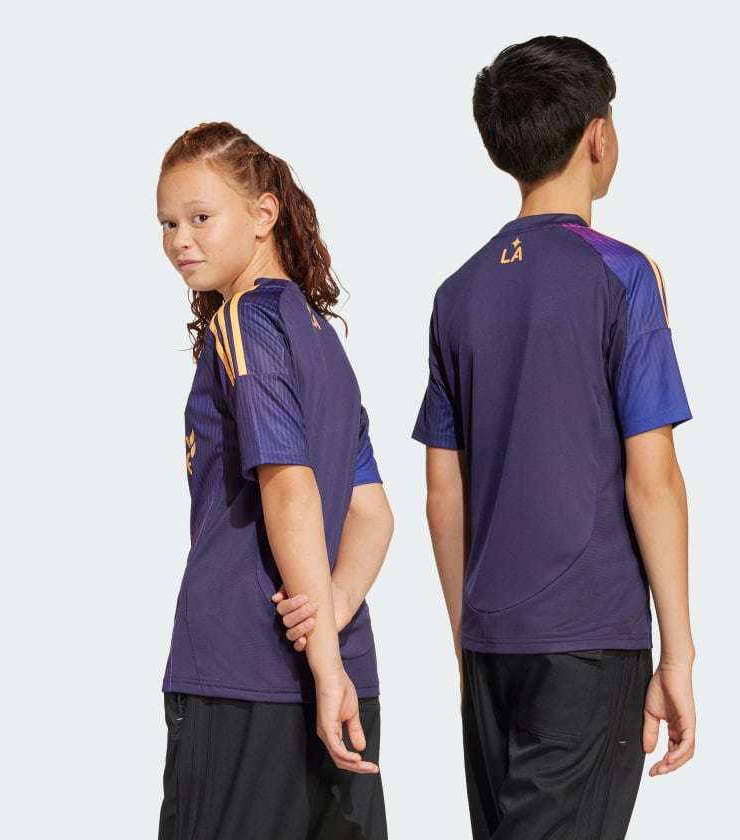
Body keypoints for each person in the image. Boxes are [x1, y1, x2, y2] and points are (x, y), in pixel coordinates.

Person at [410, 36, 696, 838]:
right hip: (588, 639)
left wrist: (468, 643)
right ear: (598, 136)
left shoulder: (457, 294)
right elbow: (653, 478)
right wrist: (678, 653)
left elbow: (443, 490)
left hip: (490, 642)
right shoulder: (623, 275)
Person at [155, 121, 393, 840]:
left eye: (200, 217)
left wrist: (323, 663)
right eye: (167, 223)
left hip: (245, 669)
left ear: (263, 214)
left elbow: (288, 485)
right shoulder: (322, 339)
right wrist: (336, 608)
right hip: (345, 672)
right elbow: (372, 513)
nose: (180, 240)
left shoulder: (244, 322)